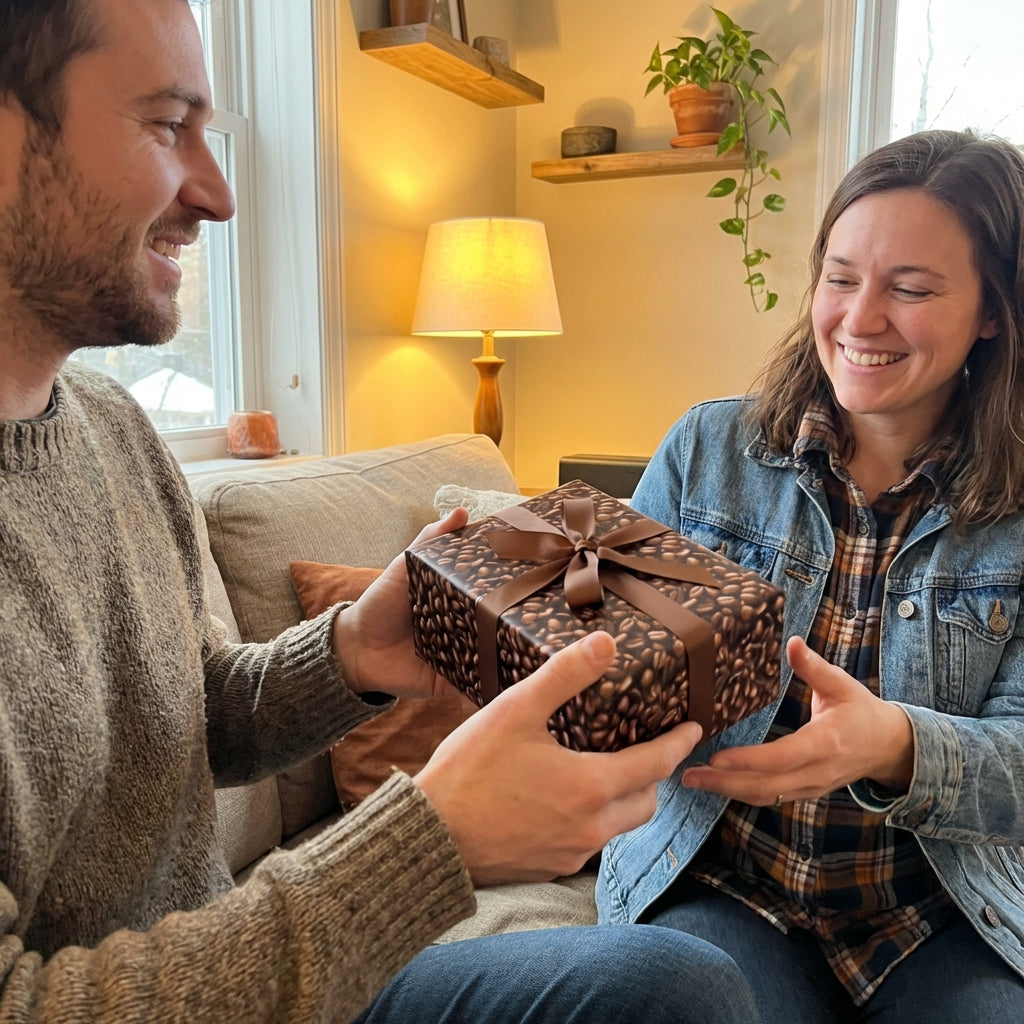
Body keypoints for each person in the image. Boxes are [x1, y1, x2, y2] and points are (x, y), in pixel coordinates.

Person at [0, 1, 763, 1021]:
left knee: (683, 989)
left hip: (255, 972)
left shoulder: (108, 424)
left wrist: (352, 652)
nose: (217, 193)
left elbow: (178, 720)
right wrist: (425, 843)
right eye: (164, 122)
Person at [598, 127, 1024, 1023]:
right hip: (722, 886)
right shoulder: (707, 452)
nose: (860, 319)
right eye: (840, 277)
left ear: (993, 310)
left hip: (941, 917)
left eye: (910, 289)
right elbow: (607, 657)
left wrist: (896, 744)